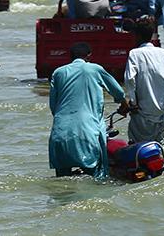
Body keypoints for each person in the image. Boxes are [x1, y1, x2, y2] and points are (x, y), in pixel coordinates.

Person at [49, 42, 128, 179]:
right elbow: (119, 92)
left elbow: (53, 106)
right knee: (94, 179)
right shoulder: (95, 69)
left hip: (59, 134)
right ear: (89, 56)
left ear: (70, 56)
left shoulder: (58, 72)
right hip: (87, 132)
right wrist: (124, 105)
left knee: (62, 181)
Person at [123, 16, 164, 145]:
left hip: (141, 110)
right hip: (161, 110)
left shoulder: (135, 54)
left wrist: (133, 102)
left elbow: (129, 78)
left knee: (137, 145)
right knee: (159, 146)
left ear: (137, 35)